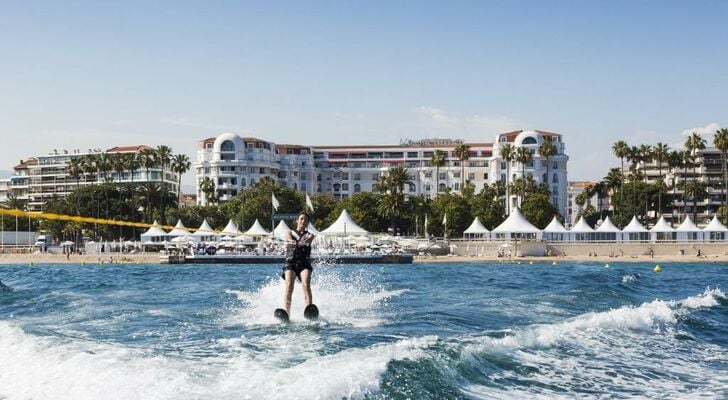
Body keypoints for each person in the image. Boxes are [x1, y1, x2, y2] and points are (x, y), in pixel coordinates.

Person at [281, 212, 315, 315]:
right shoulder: (289, 232)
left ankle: (309, 309)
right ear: (297, 220)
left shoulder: (310, 235)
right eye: (301, 219)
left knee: (305, 284)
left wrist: (303, 242)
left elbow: (309, 240)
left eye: (305, 220)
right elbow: (289, 238)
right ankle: (286, 311)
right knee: (289, 285)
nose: (303, 221)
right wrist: (293, 242)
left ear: (307, 223)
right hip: (291, 263)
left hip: (304, 263)